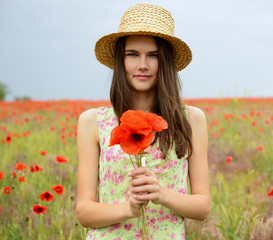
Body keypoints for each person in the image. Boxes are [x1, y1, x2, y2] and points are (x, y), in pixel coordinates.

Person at [75, 3, 210, 239]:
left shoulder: (191, 120)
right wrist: (128, 209)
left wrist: (161, 194)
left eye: (153, 56)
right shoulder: (93, 122)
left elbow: (202, 207)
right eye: (132, 55)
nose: (143, 65)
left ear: (165, 61)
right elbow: (84, 212)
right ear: (121, 61)